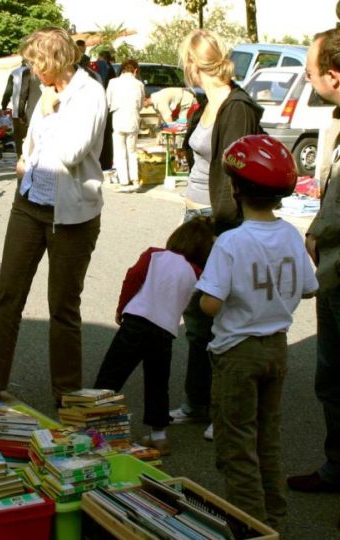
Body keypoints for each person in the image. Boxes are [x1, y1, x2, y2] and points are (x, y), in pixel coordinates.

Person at [197, 134, 318, 528]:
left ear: (235, 188)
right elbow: (308, 287)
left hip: (238, 352)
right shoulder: (288, 235)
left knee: (236, 444)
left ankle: (249, 525)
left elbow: (210, 304)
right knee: (267, 438)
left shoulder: (231, 242)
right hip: (276, 349)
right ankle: (274, 517)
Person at [0, 27, 106, 403]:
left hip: (72, 215)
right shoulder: (48, 93)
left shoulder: (89, 93)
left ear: (53, 60)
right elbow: (31, 142)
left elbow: (70, 151)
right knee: (7, 296)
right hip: (30, 204)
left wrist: (54, 109)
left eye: (36, 63)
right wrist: (25, 159)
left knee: (63, 307)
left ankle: (66, 392)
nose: (33, 72)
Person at [170, 30, 263, 438]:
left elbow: (236, 173)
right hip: (196, 218)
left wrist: (223, 229)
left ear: (193, 63)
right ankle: (198, 402)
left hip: (218, 222)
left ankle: (224, 411)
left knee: (221, 317)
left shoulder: (236, 106)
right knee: (195, 315)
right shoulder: (205, 103)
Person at [94, 217, 214, 456]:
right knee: (158, 383)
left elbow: (132, 278)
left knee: (111, 375)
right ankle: (159, 435)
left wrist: (121, 307)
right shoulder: (197, 274)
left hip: (136, 322)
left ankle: (92, 424)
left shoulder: (154, 255)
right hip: (165, 332)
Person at [287, 27, 340, 499]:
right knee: (330, 378)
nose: (308, 81)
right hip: (332, 275)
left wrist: (313, 233)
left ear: (335, 75)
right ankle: (335, 467)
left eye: (310, 72)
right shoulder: (336, 122)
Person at [106, 59, 145, 190]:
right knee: (132, 151)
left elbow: (108, 102)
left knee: (120, 151)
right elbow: (141, 104)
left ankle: (124, 180)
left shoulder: (113, 82)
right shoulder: (139, 84)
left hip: (118, 119)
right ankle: (135, 179)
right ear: (135, 70)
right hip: (133, 119)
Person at [1, 63, 27, 155]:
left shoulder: (14, 73)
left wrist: (3, 106)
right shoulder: (37, 71)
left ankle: (20, 157)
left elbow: (8, 91)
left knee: (19, 137)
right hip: (32, 109)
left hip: (17, 109)